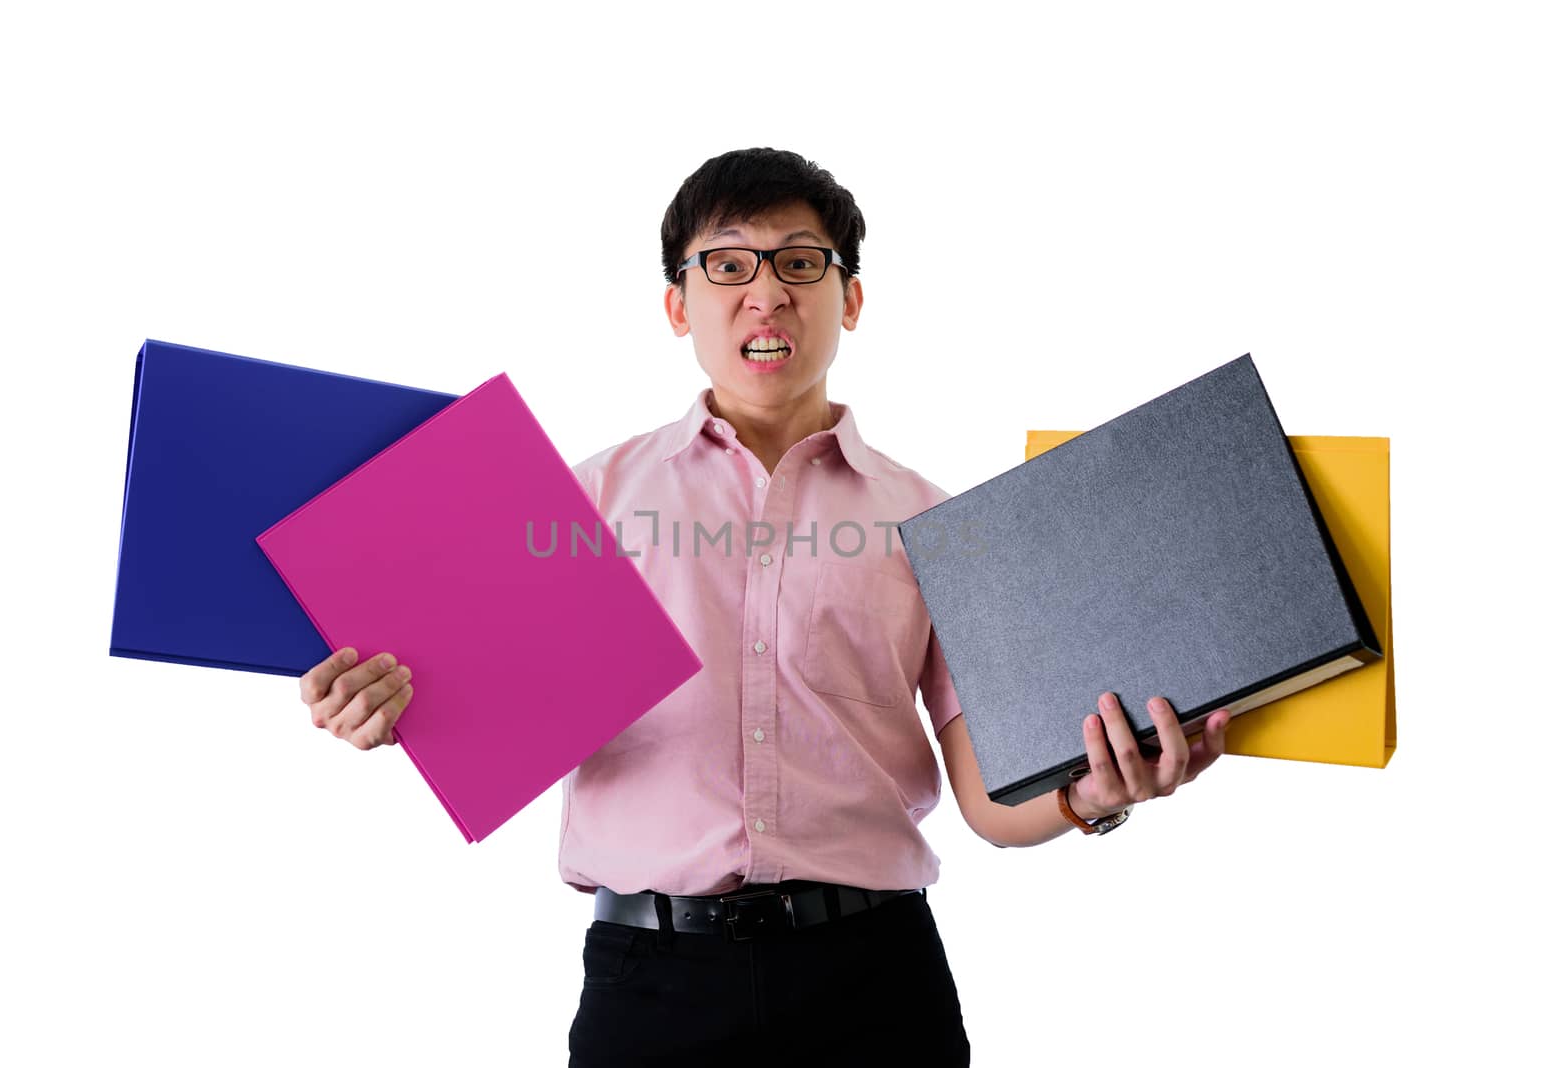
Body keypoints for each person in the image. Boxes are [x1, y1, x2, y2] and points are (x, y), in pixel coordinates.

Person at [295, 148, 1233, 1066]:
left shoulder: (937, 523)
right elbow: (486, 705)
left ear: (850, 299)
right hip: (648, 982)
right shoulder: (576, 504)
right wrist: (388, 707)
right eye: (728, 265)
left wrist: (1088, 799)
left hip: (874, 982)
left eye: (800, 262)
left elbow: (989, 798)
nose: (766, 292)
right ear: (678, 305)